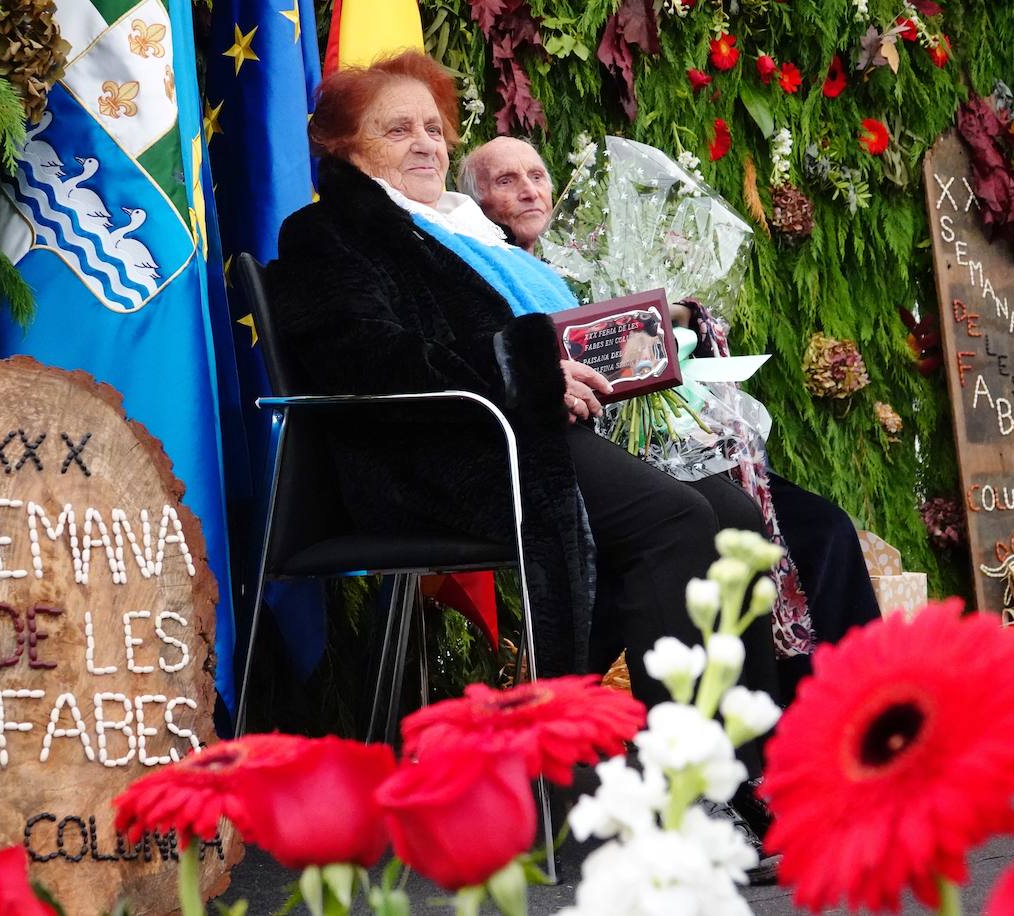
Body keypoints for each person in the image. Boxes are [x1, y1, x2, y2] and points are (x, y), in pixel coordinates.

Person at [268, 52, 779, 869]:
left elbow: (550, 334)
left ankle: (734, 773)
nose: (427, 144)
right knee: (673, 520)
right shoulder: (327, 233)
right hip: (439, 455)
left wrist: (630, 344)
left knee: (738, 522)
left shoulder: (467, 228)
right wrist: (528, 367)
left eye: (434, 127)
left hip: (526, 432)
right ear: (342, 149)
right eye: (397, 129)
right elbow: (364, 355)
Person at [462, 136, 883, 701]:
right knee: (705, 525)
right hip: (604, 455)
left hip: (679, 445)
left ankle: (840, 712)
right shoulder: (488, 271)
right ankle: (707, 733)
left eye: (536, 175)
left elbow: (665, 342)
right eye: (505, 181)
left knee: (823, 528)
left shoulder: (581, 261)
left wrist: (678, 316)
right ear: (474, 201)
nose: (529, 190)